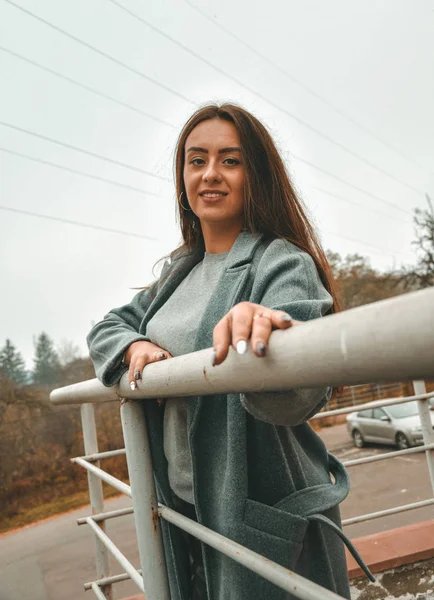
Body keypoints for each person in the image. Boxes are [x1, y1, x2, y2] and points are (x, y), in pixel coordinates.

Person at [87, 103, 372, 600]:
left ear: (255, 174)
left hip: (262, 512)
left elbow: (296, 396)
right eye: (196, 161)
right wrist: (136, 344)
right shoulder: (177, 274)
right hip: (187, 508)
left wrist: (269, 336)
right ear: (183, 178)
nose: (210, 174)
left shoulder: (282, 261)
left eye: (230, 160)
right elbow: (107, 327)